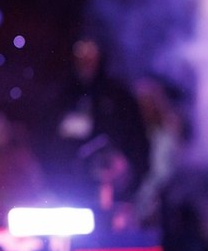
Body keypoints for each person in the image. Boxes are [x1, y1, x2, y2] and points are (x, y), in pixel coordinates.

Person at [37, 35, 150, 226]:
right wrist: (50, 185)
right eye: (81, 52)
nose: (86, 59)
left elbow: (138, 144)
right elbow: (43, 143)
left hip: (113, 196)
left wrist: (129, 183)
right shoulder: (60, 97)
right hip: (66, 195)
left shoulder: (118, 97)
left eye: (91, 52)